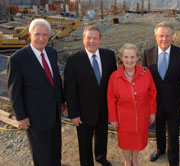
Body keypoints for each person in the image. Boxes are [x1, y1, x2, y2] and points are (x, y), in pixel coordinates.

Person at [7, 19, 65, 166]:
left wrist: (62, 101)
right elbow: (14, 91)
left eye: (45, 35)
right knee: (42, 154)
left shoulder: (52, 53)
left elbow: (55, 79)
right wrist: (21, 116)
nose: (41, 38)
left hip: (54, 112)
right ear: (29, 35)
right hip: (35, 116)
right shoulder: (17, 59)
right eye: (37, 34)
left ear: (50, 36)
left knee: (55, 149)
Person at [64, 25, 117, 166]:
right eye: (88, 38)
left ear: (100, 40)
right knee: (84, 141)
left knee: (102, 136)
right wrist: (73, 114)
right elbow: (70, 90)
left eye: (95, 38)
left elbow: (113, 83)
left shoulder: (109, 56)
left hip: (103, 109)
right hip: (83, 111)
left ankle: (101, 157)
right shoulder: (73, 60)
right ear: (83, 39)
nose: (91, 42)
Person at [142, 22, 180, 166]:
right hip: (155, 101)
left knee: (173, 132)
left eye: (167, 36)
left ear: (172, 36)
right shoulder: (147, 53)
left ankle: (173, 159)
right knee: (159, 129)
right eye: (161, 36)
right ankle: (160, 149)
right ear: (156, 36)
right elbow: (145, 79)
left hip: (175, 101)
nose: (164, 39)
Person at [107, 43, 157, 166]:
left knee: (138, 141)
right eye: (126, 57)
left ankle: (134, 160)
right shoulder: (114, 77)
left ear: (137, 57)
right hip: (123, 118)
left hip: (142, 115)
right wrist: (113, 119)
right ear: (121, 58)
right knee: (126, 142)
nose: (129, 60)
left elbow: (152, 94)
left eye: (132, 57)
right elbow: (110, 100)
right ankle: (127, 161)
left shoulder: (146, 73)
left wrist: (152, 112)